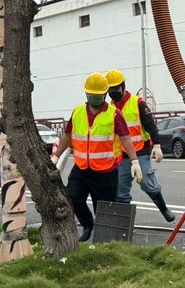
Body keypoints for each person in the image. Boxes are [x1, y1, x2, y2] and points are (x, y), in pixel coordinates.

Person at [52, 73, 143, 242]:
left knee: (104, 208)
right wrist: (56, 156)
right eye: (91, 95)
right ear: (86, 94)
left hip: (106, 171)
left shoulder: (114, 114)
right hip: (81, 168)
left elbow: (125, 139)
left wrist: (135, 161)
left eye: (98, 95)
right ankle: (87, 224)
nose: (94, 98)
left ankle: (104, 243)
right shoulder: (78, 111)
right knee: (73, 197)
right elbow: (67, 136)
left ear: (104, 94)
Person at [105, 69, 175, 222]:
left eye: (115, 89)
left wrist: (157, 145)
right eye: (110, 90)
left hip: (140, 151)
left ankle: (164, 209)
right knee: (120, 190)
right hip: (121, 156)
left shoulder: (138, 103)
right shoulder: (109, 108)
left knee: (148, 184)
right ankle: (123, 225)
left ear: (123, 86)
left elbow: (151, 125)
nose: (113, 92)